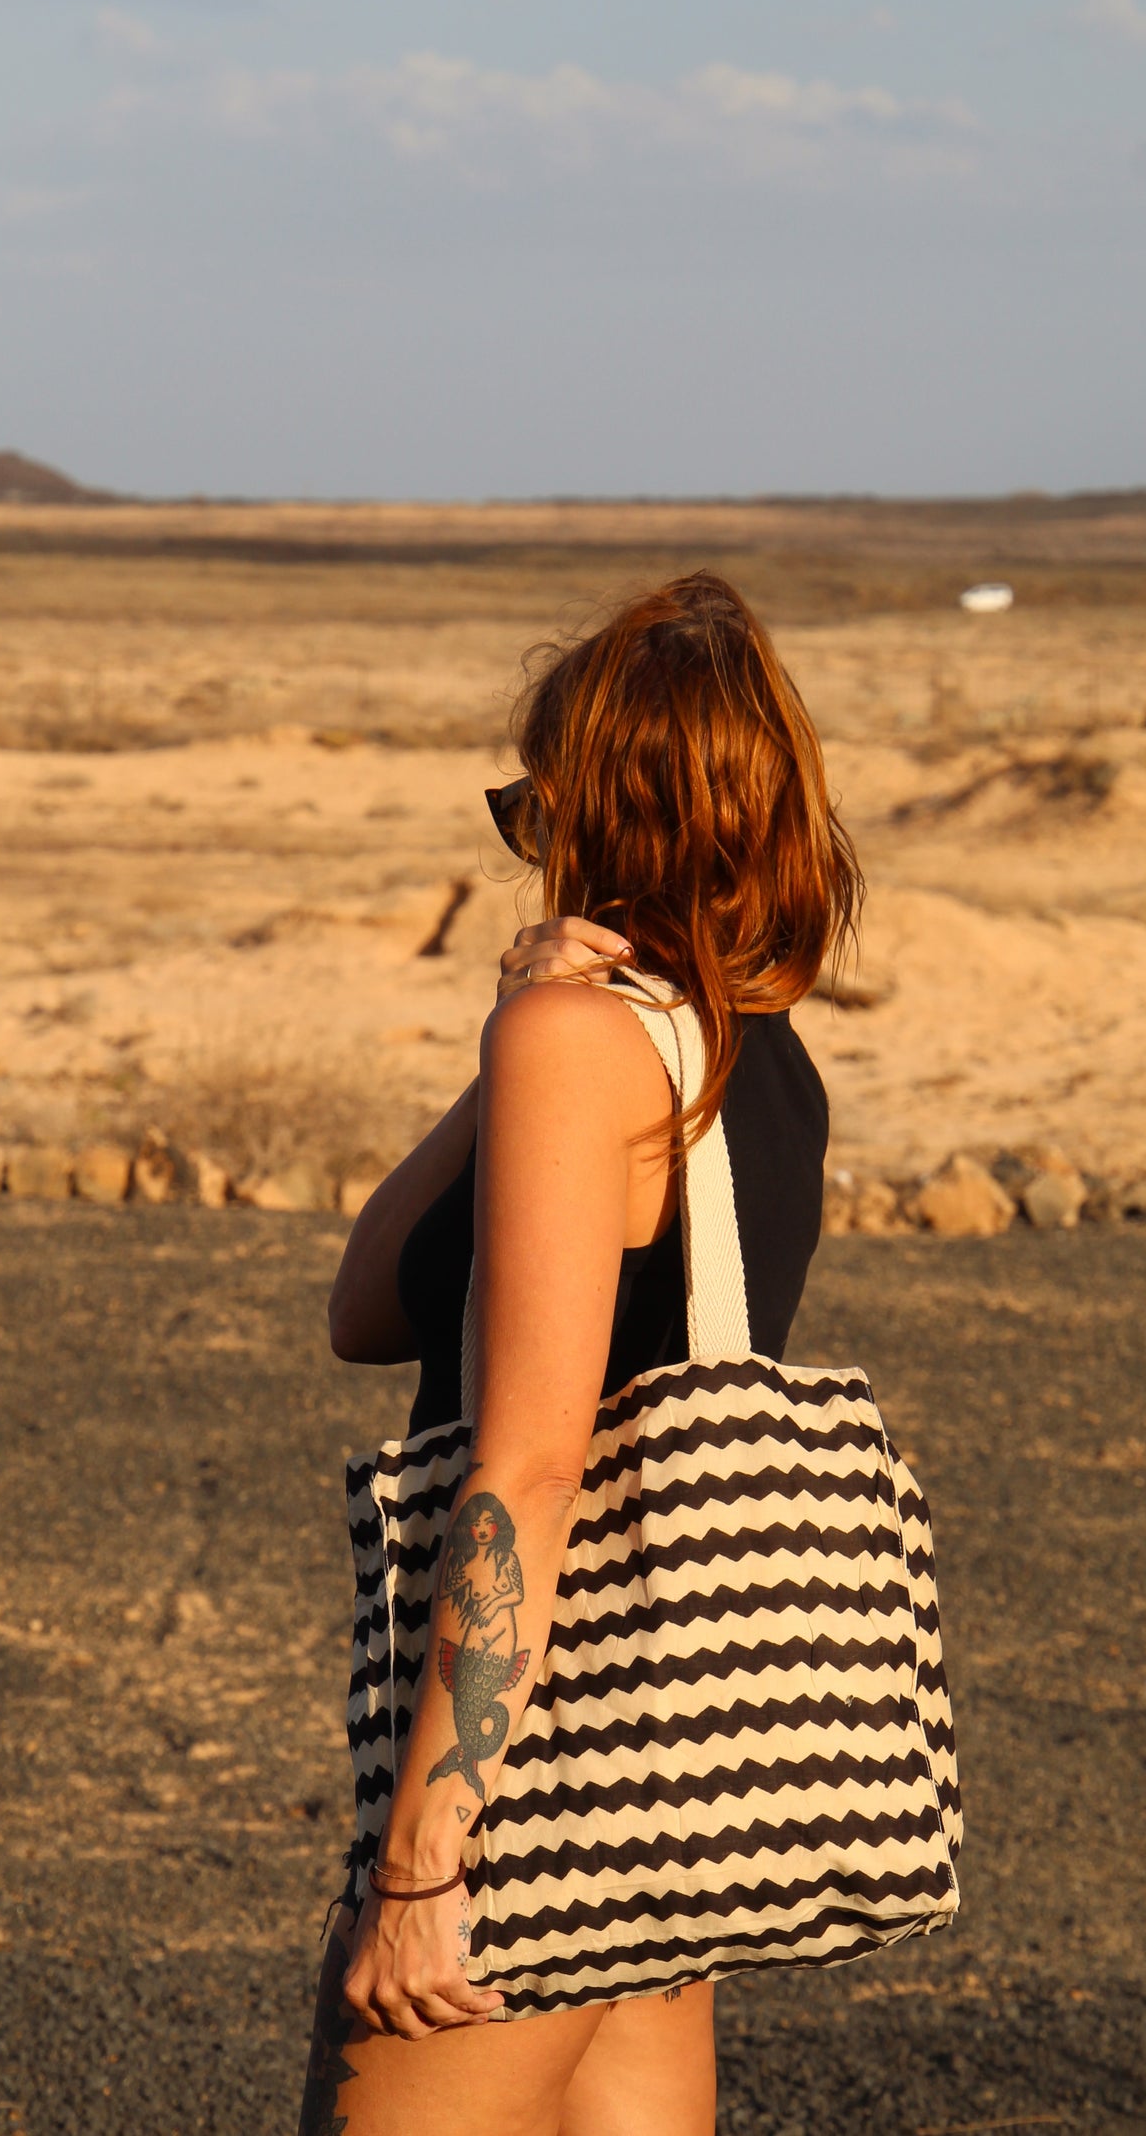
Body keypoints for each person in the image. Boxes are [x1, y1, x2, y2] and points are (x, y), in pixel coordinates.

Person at [297, 570, 861, 2136]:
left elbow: (530, 1469)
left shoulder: (574, 1048)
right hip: (672, 1757)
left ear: (590, 807)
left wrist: (423, 1861)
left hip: (536, 1759)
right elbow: (370, 1309)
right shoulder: (752, 1048)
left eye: (526, 803)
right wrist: (507, 1062)